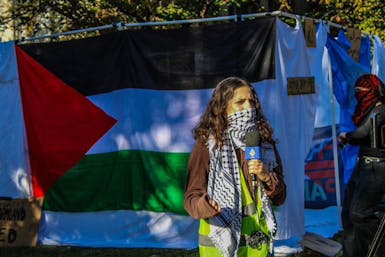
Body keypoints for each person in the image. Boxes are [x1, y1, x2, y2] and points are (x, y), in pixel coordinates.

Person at [184, 77, 286, 257]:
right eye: (240, 102)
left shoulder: (264, 143)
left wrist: (266, 178)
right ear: (222, 108)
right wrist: (205, 205)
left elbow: (280, 197)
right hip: (220, 245)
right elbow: (191, 198)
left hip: (258, 245)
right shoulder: (207, 146)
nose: (249, 108)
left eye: (252, 102)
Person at [339, 74, 385, 257]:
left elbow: (363, 132)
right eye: (357, 91)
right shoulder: (372, 110)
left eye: (362, 91)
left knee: (360, 214)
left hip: (376, 168)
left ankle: (378, 250)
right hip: (364, 165)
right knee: (348, 213)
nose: (359, 94)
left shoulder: (380, 111)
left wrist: (347, 136)